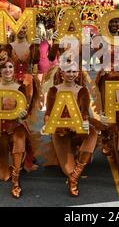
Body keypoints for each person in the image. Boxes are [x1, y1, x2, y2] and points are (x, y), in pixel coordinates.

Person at [0, 54, 39, 199]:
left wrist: (23, 114)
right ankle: (10, 173)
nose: (7, 70)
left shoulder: (20, 87)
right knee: (3, 175)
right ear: (0, 71)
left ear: (13, 70)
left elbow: (24, 114)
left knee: (19, 140)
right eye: (4, 67)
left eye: (10, 67)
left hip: (15, 126)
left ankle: (16, 180)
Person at [42, 62, 97, 197]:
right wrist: (46, 125)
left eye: (74, 71)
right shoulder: (54, 90)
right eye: (68, 71)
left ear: (78, 73)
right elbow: (48, 113)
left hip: (77, 132)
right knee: (67, 170)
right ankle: (72, 172)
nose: (71, 75)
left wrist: (84, 123)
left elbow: (85, 113)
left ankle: (74, 180)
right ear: (61, 73)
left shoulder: (82, 90)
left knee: (92, 131)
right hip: (61, 132)